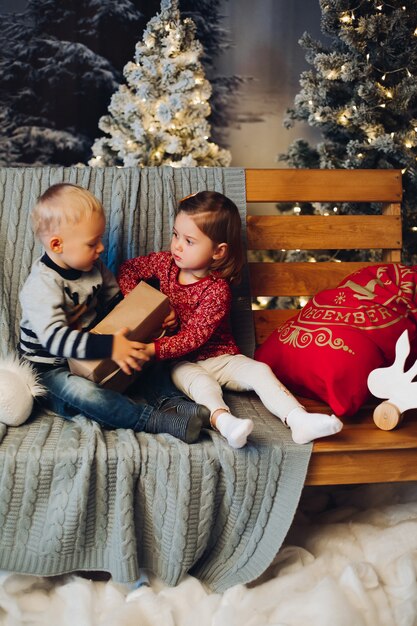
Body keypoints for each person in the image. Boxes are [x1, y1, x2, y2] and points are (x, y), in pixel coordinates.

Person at [118, 191, 343, 449]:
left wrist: (151, 349)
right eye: (175, 234)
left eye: (189, 241)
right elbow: (128, 270)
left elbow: (194, 338)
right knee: (202, 385)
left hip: (222, 357)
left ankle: (298, 419)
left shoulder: (217, 289)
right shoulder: (165, 264)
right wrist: (151, 306)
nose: (177, 245)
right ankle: (226, 423)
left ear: (218, 251)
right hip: (179, 363)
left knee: (259, 371)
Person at [19, 183, 209, 443]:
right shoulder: (42, 286)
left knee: (141, 353)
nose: (101, 249)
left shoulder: (94, 267)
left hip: (94, 354)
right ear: (57, 244)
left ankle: (171, 402)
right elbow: (56, 341)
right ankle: (151, 419)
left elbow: (117, 304)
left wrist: (150, 322)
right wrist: (110, 347)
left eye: (100, 239)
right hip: (50, 369)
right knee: (85, 394)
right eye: (92, 243)